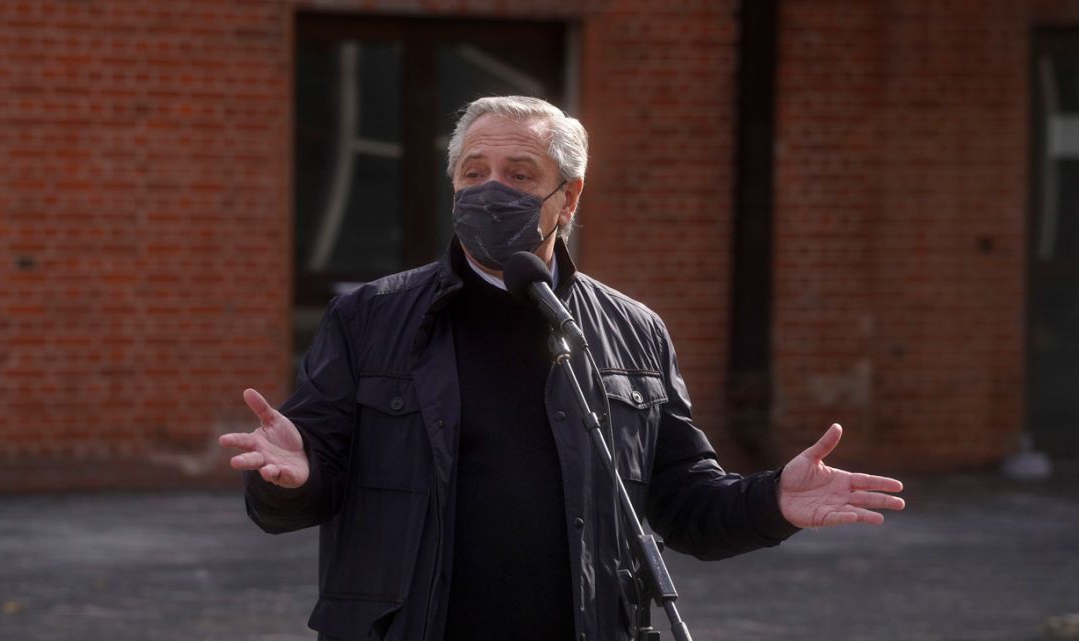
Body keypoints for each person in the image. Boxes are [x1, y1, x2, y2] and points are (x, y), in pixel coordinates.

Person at [219, 96, 905, 641]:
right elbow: (302, 489)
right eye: (473, 172)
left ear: (568, 198)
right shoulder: (371, 318)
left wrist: (772, 502)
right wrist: (292, 479)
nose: (491, 190)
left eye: (520, 174)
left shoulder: (632, 331)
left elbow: (682, 502)